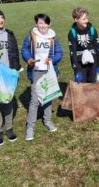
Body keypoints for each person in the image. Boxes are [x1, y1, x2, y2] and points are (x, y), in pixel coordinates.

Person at [21, 13, 63, 141]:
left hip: (49, 70)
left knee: (48, 97)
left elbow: (59, 52)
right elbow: (24, 50)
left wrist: (53, 59)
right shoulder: (31, 36)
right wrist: (29, 59)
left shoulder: (53, 37)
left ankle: (47, 120)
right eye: (40, 23)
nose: (42, 25)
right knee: (35, 99)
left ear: (49, 24)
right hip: (36, 71)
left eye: (45, 23)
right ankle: (30, 127)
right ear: (36, 24)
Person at [0, 8, 21, 146]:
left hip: (7, 74)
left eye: (2, 17)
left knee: (8, 101)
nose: (0, 20)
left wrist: (16, 69)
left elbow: (14, 52)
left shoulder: (9, 34)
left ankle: (9, 128)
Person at [68, 7, 99, 83]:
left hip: (92, 62)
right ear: (76, 19)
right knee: (81, 84)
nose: (86, 21)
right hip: (80, 63)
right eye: (84, 19)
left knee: (92, 82)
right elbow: (72, 51)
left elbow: (97, 47)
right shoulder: (72, 32)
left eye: (87, 18)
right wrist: (76, 68)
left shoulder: (92, 30)